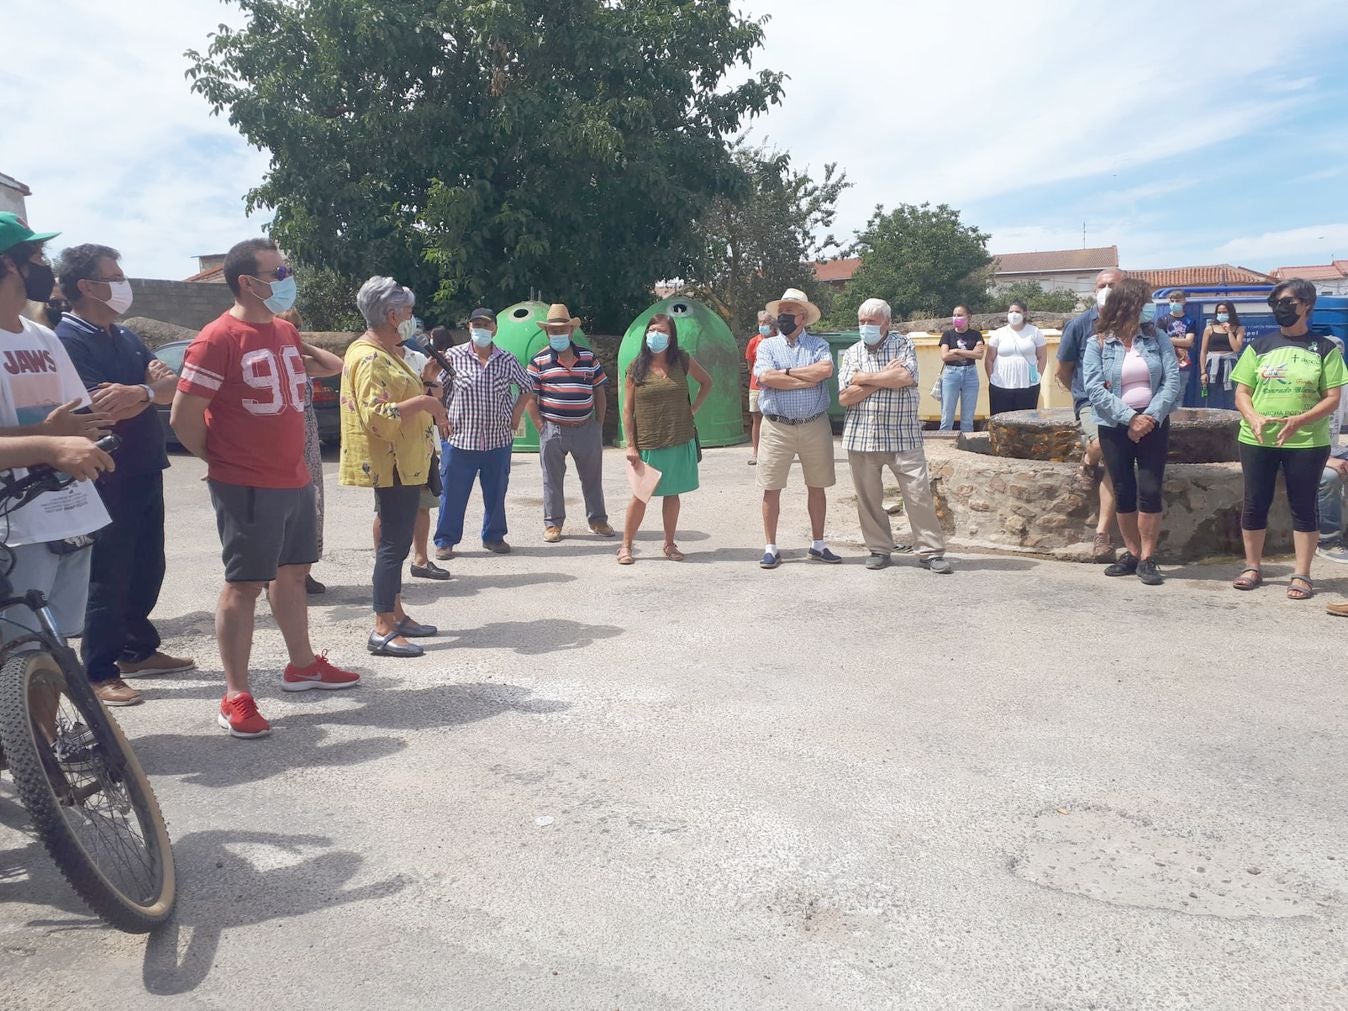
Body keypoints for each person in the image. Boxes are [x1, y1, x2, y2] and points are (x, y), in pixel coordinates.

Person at [172, 238, 358, 739]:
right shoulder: (216, 338)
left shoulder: (281, 330)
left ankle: (302, 666)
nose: (286, 279)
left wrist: (292, 337)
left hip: (292, 475)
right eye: (277, 273)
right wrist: (221, 459)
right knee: (244, 585)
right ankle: (235, 694)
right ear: (246, 283)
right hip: (247, 481)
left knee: (292, 573)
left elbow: (333, 367)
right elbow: (183, 416)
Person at [55, 243, 192, 707]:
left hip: (145, 466)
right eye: (113, 276)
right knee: (108, 573)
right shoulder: (67, 340)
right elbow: (100, 405)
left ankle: (137, 649)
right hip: (106, 472)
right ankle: (99, 669)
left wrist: (142, 390)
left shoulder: (125, 335)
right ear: (86, 286)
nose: (122, 283)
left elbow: (170, 384)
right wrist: (147, 391)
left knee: (147, 564)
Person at [0, 215, 115, 689]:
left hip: (68, 512)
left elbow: (80, 417)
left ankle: (43, 752)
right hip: (16, 524)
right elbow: (55, 430)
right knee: (20, 655)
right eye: (36, 259)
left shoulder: (43, 336)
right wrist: (47, 438)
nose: (45, 269)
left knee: (55, 651)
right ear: (6, 267)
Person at [341, 276, 448, 658]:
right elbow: (378, 415)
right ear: (390, 315)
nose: (411, 317)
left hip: (406, 462)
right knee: (392, 547)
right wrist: (426, 403)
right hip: (392, 465)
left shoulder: (387, 351)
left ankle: (397, 615)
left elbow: (397, 396)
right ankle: (382, 627)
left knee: (398, 544)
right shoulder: (369, 357)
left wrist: (424, 385)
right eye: (407, 311)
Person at [1228, 279, 1348, 599]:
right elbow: (1241, 392)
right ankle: (1252, 566)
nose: (1280, 309)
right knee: (1255, 503)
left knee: (1304, 506)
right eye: (1276, 303)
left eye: (1287, 302)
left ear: (1307, 305)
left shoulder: (1324, 349)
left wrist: (1300, 420)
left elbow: (1332, 398)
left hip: (1307, 441)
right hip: (1257, 440)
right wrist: (1252, 417)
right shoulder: (1259, 347)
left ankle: (1302, 574)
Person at [1081, 278, 1182, 585]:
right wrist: (1129, 418)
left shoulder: (1158, 338)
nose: (1151, 308)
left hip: (1153, 424)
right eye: (1146, 302)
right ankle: (1133, 553)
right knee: (1124, 490)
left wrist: (1149, 417)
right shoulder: (1097, 343)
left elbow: (1171, 381)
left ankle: (1149, 558)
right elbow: (1094, 388)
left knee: (1150, 490)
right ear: (1128, 306)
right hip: (1114, 425)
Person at [838, 298, 950, 573]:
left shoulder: (903, 345)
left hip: (903, 435)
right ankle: (878, 549)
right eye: (862, 322)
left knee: (918, 494)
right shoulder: (852, 352)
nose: (865, 327)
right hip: (862, 436)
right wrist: (884, 375)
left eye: (872, 322)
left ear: (886, 323)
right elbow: (844, 397)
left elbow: (905, 378)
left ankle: (930, 552)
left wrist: (864, 378)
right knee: (868, 498)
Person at [434, 307, 532, 557]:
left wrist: (516, 413)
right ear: (468, 327)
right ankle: (445, 540)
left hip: (497, 440)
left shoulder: (507, 359)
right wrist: (440, 417)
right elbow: (436, 390)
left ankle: (494, 537)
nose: (481, 330)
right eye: (476, 325)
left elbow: (527, 387)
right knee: (453, 493)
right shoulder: (453, 356)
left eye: (486, 325)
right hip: (459, 440)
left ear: (495, 329)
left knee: (496, 492)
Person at [753, 287, 839, 568]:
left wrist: (784, 374)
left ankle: (818, 544)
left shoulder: (818, 345)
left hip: (814, 424)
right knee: (771, 486)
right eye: (781, 313)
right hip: (777, 426)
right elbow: (766, 376)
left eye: (788, 312)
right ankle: (770, 547)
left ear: (802, 317)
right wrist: (802, 378)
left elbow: (825, 371)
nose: (783, 317)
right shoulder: (766, 346)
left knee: (817, 485)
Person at [619, 313, 711, 564]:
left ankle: (670, 544)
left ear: (671, 337)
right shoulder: (635, 366)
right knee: (640, 496)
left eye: (661, 331)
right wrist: (630, 444)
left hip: (679, 438)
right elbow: (627, 409)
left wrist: (693, 410)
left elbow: (707, 383)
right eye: (652, 330)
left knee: (673, 494)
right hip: (647, 441)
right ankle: (626, 546)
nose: (655, 335)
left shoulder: (682, 360)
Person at [525, 304, 613, 542]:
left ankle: (598, 520)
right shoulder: (539, 361)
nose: (558, 335)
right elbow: (530, 398)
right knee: (552, 480)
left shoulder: (588, 357)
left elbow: (600, 392)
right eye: (553, 331)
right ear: (547, 333)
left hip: (586, 428)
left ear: (571, 331)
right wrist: (541, 427)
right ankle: (553, 525)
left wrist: (598, 425)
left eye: (562, 330)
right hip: (552, 429)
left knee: (592, 477)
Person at [1057, 267, 1125, 560]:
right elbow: (1064, 368)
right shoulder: (1080, 324)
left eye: (1111, 284)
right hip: (1091, 402)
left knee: (1116, 462)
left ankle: (1102, 534)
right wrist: (1081, 394)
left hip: (1126, 404)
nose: (1105, 289)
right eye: (1100, 285)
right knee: (1101, 445)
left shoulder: (1135, 324)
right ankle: (1088, 458)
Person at [373, 332, 447, 578]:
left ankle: (421, 561)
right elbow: (383, 407)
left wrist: (427, 380)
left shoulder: (418, 357)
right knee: (385, 512)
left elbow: (436, 393)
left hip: (422, 442)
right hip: (392, 448)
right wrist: (422, 395)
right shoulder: (378, 360)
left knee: (423, 505)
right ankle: (383, 567)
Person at [274, 306, 337, 595]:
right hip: (278, 443)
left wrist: (302, 344)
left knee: (311, 508)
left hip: (308, 444)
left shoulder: (300, 361)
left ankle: (304, 569)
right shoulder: (266, 362)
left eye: (295, 328)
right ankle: (273, 575)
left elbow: (336, 364)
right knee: (279, 510)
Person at [985, 301, 1046, 415]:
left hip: (1028, 385)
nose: (1014, 314)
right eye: (1011, 311)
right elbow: (989, 359)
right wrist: (992, 378)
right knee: (1000, 421)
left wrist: (1038, 376)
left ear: (1024, 314)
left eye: (1017, 311)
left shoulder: (1035, 332)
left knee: (1027, 421)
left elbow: (1042, 357)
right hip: (1000, 385)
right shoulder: (999, 333)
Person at [938, 305, 984, 431]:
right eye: (954, 315)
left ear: (968, 317)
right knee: (947, 415)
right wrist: (969, 353)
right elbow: (945, 356)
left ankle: (965, 446)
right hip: (951, 374)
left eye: (959, 315)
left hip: (970, 374)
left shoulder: (976, 335)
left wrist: (957, 351)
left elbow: (979, 355)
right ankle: (943, 446)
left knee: (968, 418)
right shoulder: (947, 335)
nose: (956, 318)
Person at [1159, 289, 1204, 408]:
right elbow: (1158, 340)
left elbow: (1189, 342)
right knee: (1165, 393)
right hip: (1165, 363)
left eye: (1177, 300)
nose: (1174, 303)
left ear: (1184, 301)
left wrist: (1168, 339)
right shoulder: (1162, 320)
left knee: (1180, 394)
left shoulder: (1190, 321)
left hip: (1184, 364)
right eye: (1172, 300)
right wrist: (1180, 341)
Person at [1198, 301, 1246, 411]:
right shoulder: (1209, 329)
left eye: (1224, 312)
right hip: (1212, 364)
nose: (1221, 314)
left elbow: (1237, 348)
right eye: (1219, 312)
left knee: (1230, 395)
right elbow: (1203, 351)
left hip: (1230, 363)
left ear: (1231, 313)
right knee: (1211, 396)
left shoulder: (1239, 329)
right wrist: (1203, 372)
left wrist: (1229, 331)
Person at [745, 311, 776, 464]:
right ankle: (756, 453)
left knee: (774, 420)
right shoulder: (754, 342)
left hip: (774, 387)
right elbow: (750, 365)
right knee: (756, 419)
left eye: (765, 322)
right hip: (756, 387)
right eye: (760, 322)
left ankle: (773, 453)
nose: (762, 325)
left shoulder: (779, 340)